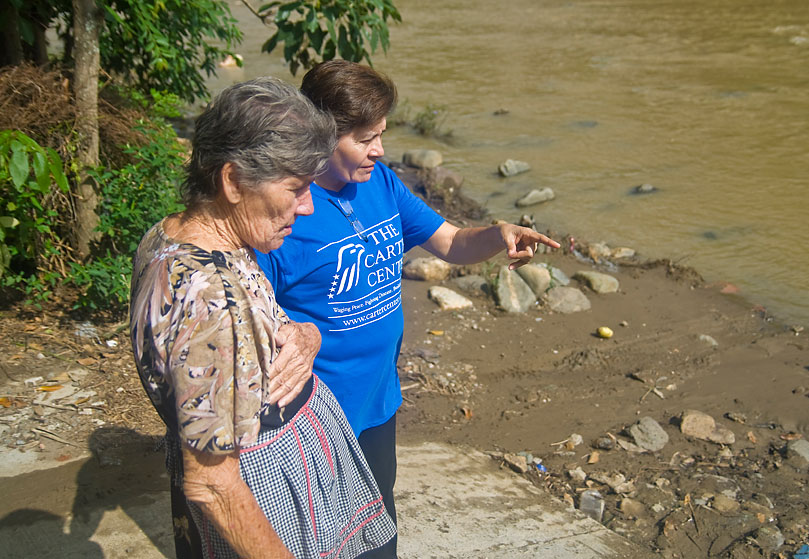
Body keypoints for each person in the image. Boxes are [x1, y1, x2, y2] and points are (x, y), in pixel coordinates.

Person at [255, 60, 560, 557]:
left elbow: (453, 242)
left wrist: (499, 233)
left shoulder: (381, 183)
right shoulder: (286, 208)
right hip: (315, 420)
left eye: (381, 134)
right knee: (318, 541)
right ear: (320, 134)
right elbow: (256, 315)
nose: (379, 149)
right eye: (364, 138)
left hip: (377, 402)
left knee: (379, 535)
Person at [129, 77, 396, 559]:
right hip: (266, 490)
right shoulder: (211, 298)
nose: (308, 206)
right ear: (232, 181)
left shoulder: (174, 236)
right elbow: (212, 483)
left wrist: (305, 333)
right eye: (295, 188)